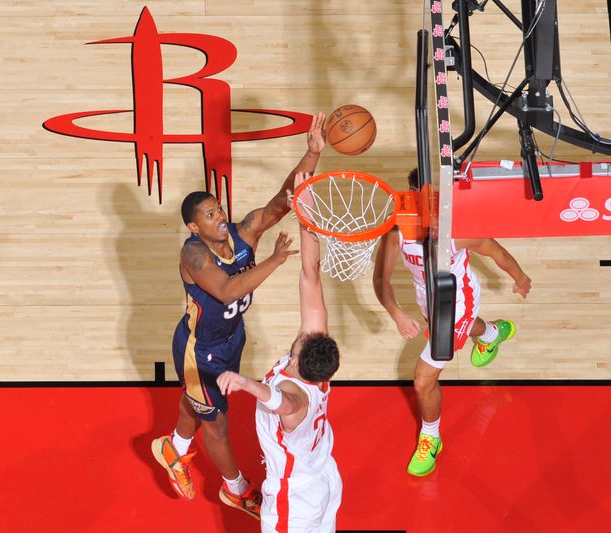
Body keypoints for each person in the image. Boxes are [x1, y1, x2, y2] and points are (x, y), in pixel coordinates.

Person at [151, 113, 327, 518]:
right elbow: (228, 289)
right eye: (210, 216)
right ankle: (235, 488)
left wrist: (311, 153)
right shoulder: (193, 254)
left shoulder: (241, 233)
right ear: (194, 228)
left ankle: (173, 448)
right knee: (217, 423)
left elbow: (283, 201)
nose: (219, 217)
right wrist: (275, 260)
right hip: (202, 349)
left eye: (218, 209)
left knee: (202, 400)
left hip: (232, 338)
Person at [372, 168, 532, 477]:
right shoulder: (397, 229)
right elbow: (382, 278)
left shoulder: (460, 227)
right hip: (427, 298)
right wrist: (395, 312)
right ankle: (492, 333)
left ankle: (431, 436)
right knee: (462, 330)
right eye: (423, 201)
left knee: (422, 379)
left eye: (436, 201)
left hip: (458, 300)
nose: (431, 208)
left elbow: (495, 251)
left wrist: (520, 277)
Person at [217, 171, 342, 532]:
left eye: (303, 339)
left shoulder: (295, 396)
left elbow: (281, 402)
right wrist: (307, 214)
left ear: (301, 360)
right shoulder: (313, 366)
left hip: (295, 500)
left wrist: (243, 381)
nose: (302, 333)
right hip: (323, 477)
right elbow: (311, 274)